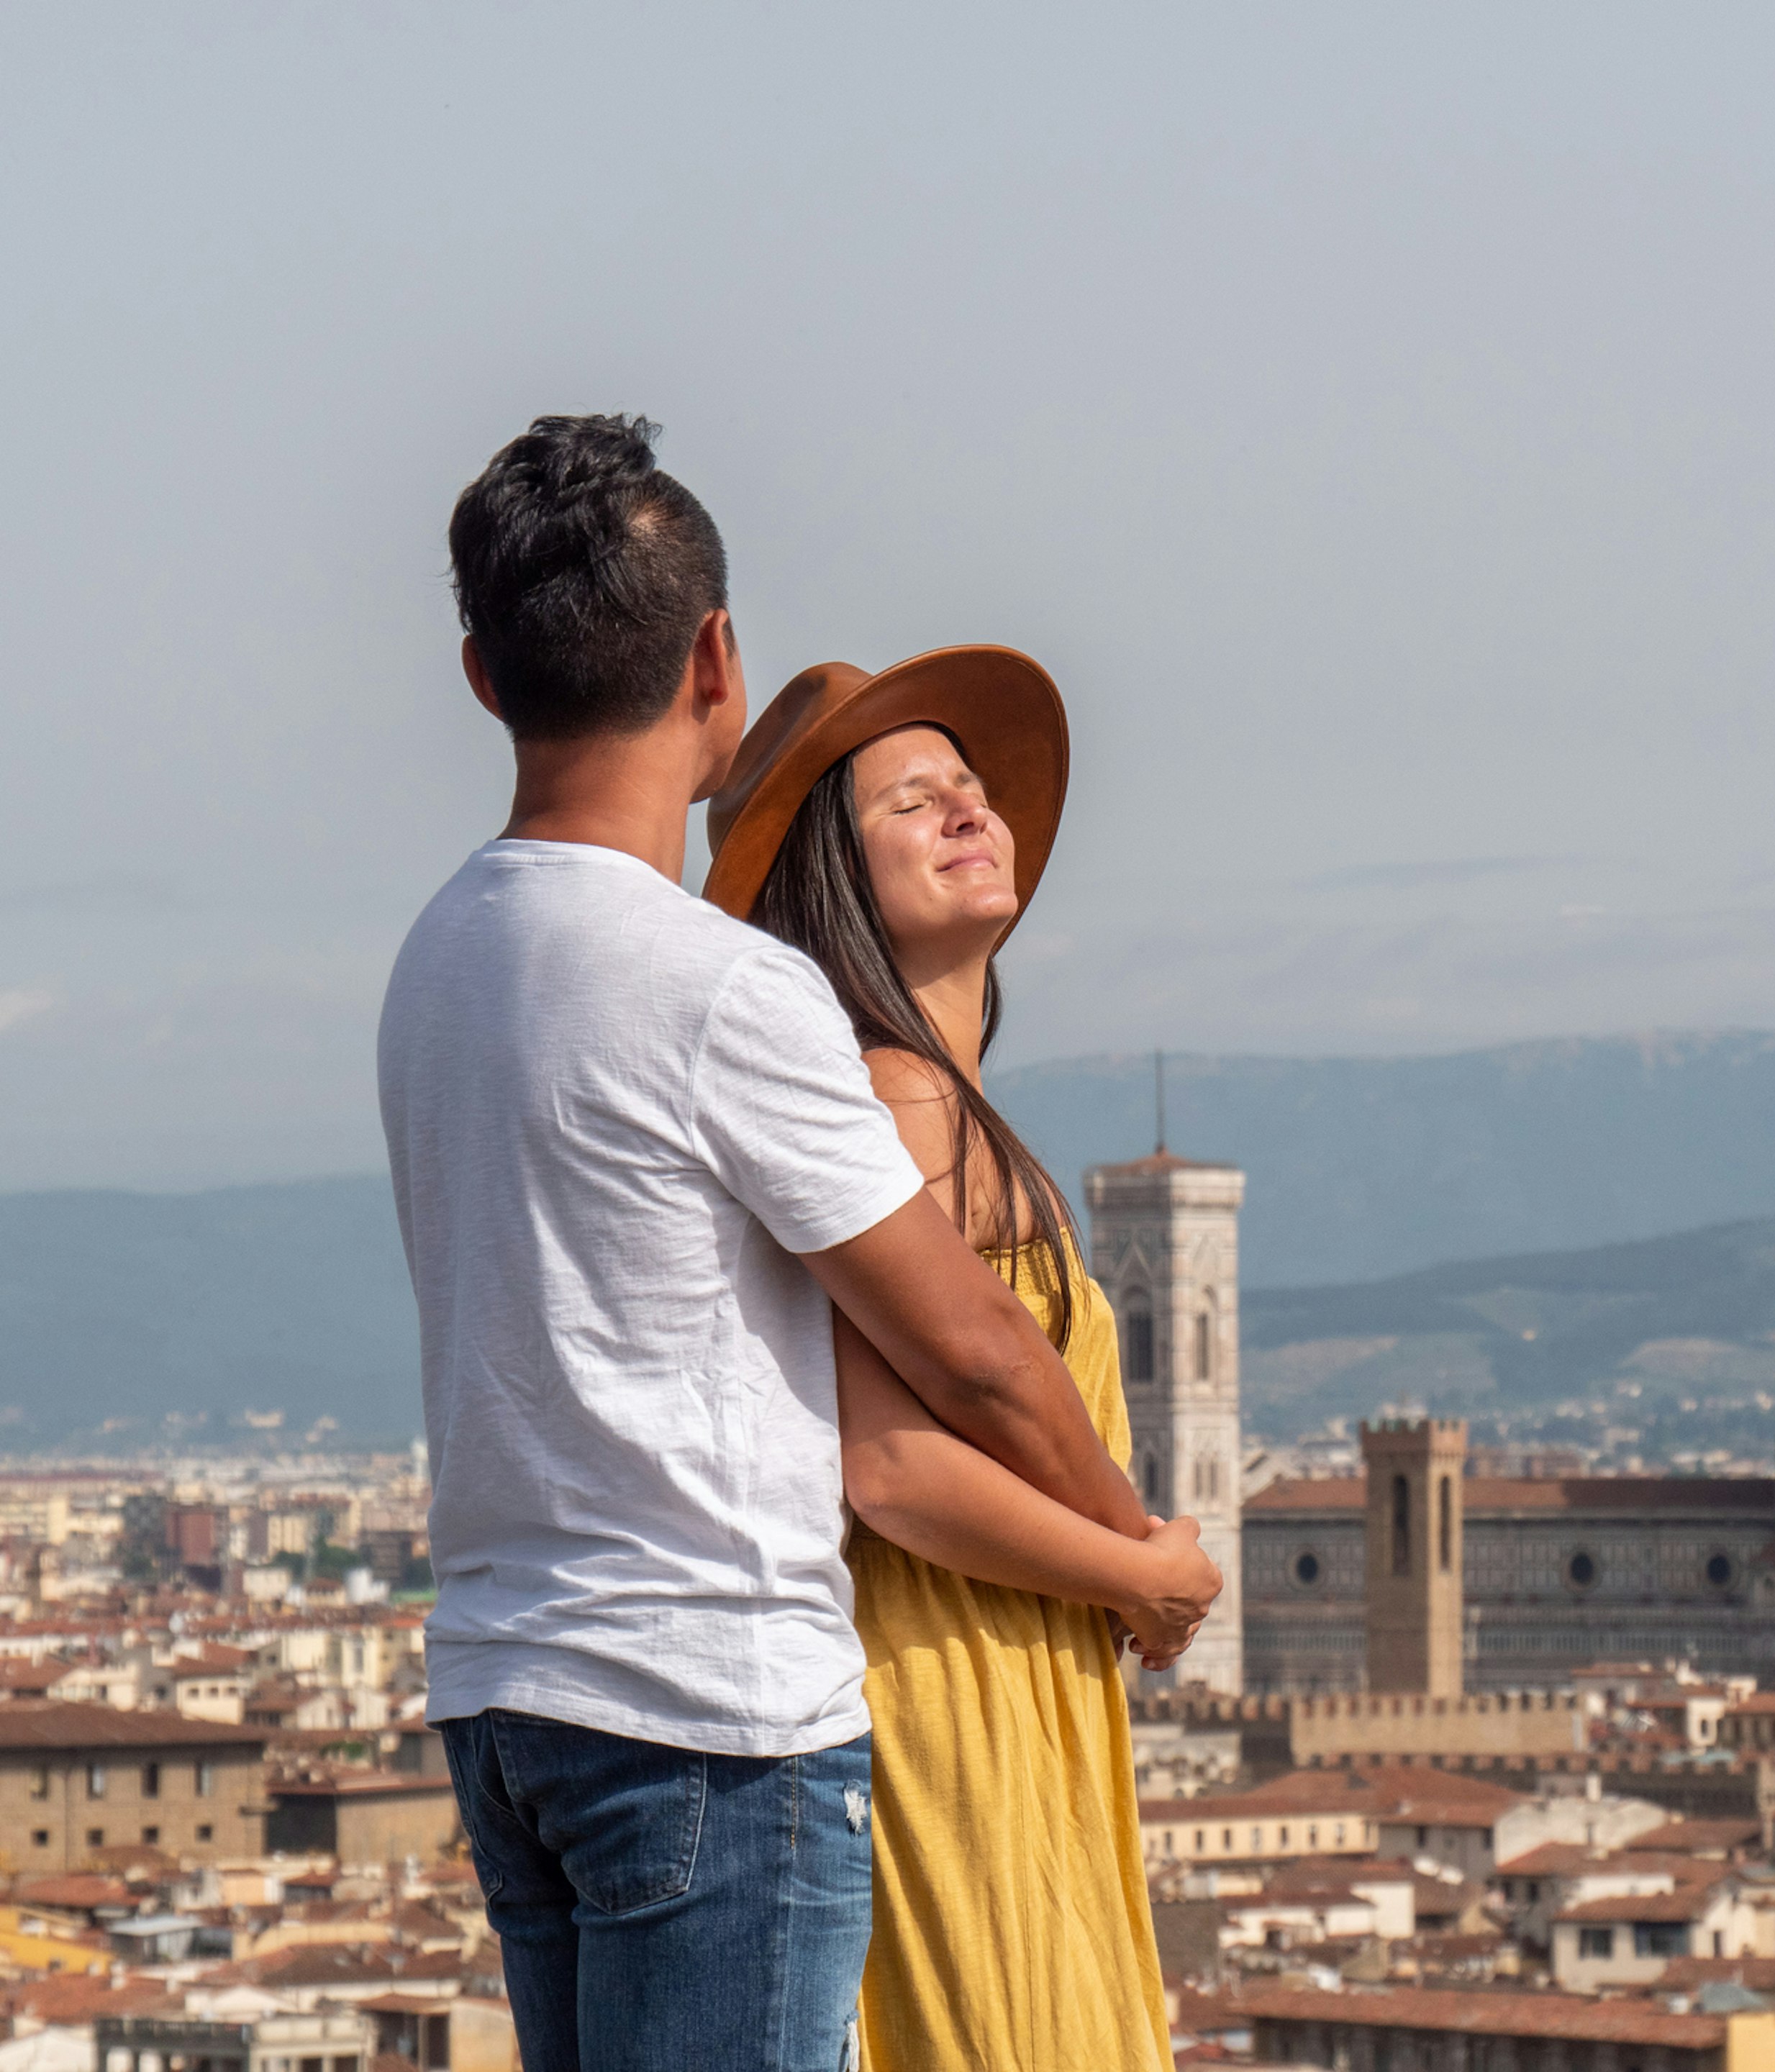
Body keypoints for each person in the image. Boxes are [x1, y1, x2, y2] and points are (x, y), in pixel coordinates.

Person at [379, 414, 1217, 2072]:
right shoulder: (723, 990)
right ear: (715, 660)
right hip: (712, 1711)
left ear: (482, 674)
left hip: (509, 1686)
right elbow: (966, 1359)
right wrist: (1147, 1564)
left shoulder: (438, 960)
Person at [702, 653, 1191, 2071]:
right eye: (910, 803)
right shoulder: (897, 1098)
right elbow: (896, 1470)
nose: (967, 809)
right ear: (834, 889)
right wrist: (1146, 1575)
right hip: (952, 1682)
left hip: (1015, 1674)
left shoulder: (950, 1104)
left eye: (970, 788)